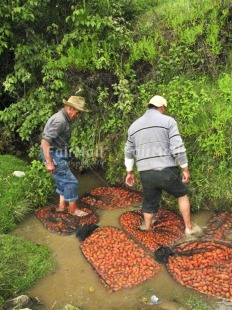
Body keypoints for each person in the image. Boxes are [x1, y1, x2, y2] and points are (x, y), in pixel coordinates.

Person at [124, 95, 200, 235]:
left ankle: (147, 229)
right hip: (167, 170)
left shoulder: (133, 127)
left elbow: (129, 151)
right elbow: (177, 147)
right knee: (182, 195)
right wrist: (185, 168)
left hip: (145, 173)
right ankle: (188, 228)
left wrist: (129, 172)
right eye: (164, 108)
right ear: (162, 107)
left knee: (149, 202)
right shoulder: (168, 121)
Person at [40, 96, 90, 217]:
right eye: (77, 112)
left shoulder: (64, 118)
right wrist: (49, 162)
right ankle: (73, 210)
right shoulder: (60, 121)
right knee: (71, 182)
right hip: (53, 154)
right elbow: (45, 142)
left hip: (58, 153)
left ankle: (62, 207)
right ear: (69, 108)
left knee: (62, 180)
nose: (77, 116)